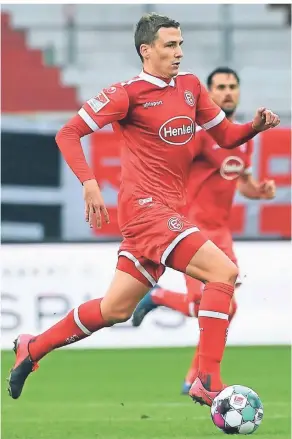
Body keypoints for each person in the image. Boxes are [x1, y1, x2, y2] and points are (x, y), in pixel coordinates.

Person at [8, 13, 280, 407]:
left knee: (114, 309)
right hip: (146, 211)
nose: (179, 53)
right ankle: (207, 380)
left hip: (163, 215)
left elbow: (226, 137)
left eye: (181, 45)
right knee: (223, 272)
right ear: (146, 50)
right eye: (170, 46)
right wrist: (89, 183)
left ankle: (33, 347)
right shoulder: (127, 93)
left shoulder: (190, 88)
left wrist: (254, 126)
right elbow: (68, 133)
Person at [131, 67, 276, 394]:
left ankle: (194, 377)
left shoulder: (242, 138)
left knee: (228, 308)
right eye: (220, 87)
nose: (227, 92)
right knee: (207, 305)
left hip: (221, 233)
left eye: (232, 86)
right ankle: (161, 300)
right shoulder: (197, 134)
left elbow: (243, 184)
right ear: (208, 94)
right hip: (194, 229)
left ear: (239, 92)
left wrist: (259, 191)